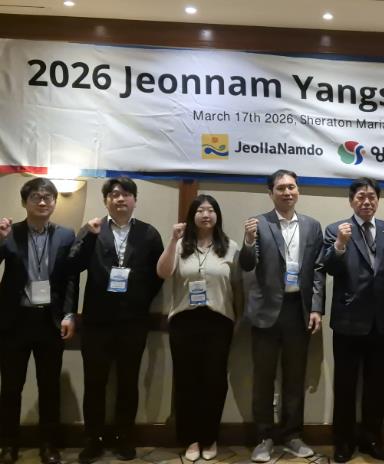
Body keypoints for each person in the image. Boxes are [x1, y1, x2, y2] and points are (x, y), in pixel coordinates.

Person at [69, 177, 164, 463]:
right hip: (97, 322)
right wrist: (89, 236)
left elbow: (158, 275)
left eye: (125, 194)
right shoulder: (93, 229)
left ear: (134, 200)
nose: (120, 198)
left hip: (133, 322)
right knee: (94, 383)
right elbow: (73, 265)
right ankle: (93, 439)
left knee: (127, 382)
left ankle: (124, 437)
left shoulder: (148, 233)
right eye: (113, 194)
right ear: (106, 201)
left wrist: (139, 298)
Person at [239, 170, 325, 462]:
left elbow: (317, 271)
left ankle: (292, 436)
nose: (287, 192)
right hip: (265, 311)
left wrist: (316, 307)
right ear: (271, 193)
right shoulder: (258, 223)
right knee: (263, 378)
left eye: (291, 187)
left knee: (295, 378)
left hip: (298, 310)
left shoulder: (312, 226)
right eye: (281, 188)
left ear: (298, 190)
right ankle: (263, 437)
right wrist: (248, 240)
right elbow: (246, 264)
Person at [318, 177, 384, 463]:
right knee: (345, 385)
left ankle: (372, 439)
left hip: (381, 320)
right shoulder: (336, 229)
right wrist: (340, 244)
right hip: (348, 319)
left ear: (378, 200)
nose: (366, 202)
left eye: (371, 197)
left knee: (376, 385)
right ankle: (343, 442)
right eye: (360, 197)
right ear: (351, 200)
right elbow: (329, 268)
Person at [156, 194, 243, 462]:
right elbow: (163, 272)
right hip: (184, 320)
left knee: (214, 382)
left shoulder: (230, 246)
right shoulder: (181, 244)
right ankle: (190, 438)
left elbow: (238, 286)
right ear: (192, 216)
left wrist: (238, 319)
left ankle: (209, 437)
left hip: (219, 320)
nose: (206, 215)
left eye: (211, 210)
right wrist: (173, 240)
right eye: (200, 210)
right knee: (187, 381)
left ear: (217, 215)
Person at [0, 178, 79, 464]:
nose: (43, 202)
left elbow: (70, 278)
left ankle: (49, 445)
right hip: (14, 321)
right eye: (36, 197)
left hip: (49, 320)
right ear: (25, 202)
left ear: (55, 202)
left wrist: (69, 314)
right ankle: (8, 444)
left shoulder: (66, 235)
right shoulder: (9, 232)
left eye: (48, 197)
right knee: (11, 387)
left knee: (49, 386)